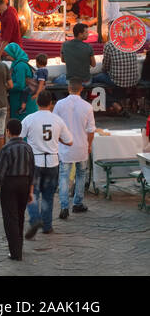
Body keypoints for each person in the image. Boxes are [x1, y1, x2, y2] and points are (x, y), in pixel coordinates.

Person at [22, 89, 72, 240]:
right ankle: (47, 225)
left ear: (37, 102)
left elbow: (18, 136)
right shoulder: (57, 120)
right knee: (48, 196)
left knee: (32, 194)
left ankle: (35, 218)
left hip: (35, 161)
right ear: (51, 104)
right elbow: (69, 141)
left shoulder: (29, 119)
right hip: (52, 161)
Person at [0, 118, 35, 261]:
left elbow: (1, 172)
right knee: (20, 216)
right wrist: (31, 191)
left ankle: (15, 252)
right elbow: (32, 170)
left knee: (10, 218)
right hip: (24, 183)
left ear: (8, 132)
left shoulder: (6, 148)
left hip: (9, 184)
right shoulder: (27, 147)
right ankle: (19, 247)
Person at [54, 80, 95, 219]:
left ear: (68, 88)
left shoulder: (60, 104)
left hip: (65, 146)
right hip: (81, 146)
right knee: (81, 174)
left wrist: (59, 141)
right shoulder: (87, 106)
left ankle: (64, 206)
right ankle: (77, 202)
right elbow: (91, 130)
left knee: (64, 176)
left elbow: (55, 125)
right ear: (81, 88)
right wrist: (89, 145)